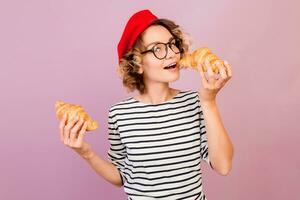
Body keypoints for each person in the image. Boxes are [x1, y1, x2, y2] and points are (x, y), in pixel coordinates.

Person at [58, 9, 234, 200]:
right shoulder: (120, 114)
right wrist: (86, 152)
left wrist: (209, 102)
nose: (172, 54)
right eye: (158, 48)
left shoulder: (195, 103)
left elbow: (223, 166)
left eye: (172, 44)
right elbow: (121, 176)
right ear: (137, 63)